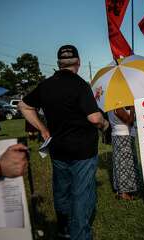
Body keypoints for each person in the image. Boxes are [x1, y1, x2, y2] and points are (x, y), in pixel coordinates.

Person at [18, 45, 109, 240]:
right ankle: (79, 234)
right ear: (78, 62)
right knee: (81, 196)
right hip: (83, 151)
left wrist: (43, 129)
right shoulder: (81, 84)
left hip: (58, 149)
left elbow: (24, 105)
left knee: (62, 190)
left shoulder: (46, 85)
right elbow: (94, 118)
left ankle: (64, 229)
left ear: (59, 64)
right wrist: (104, 122)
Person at [108, 106, 141, 200]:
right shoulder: (117, 107)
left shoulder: (111, 105)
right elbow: (129, 121)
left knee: (121, 163)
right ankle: (124, 192)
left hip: (117, 136)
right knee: (125, 165)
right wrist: (132, 109)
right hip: (123, 137)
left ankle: (124, 189)